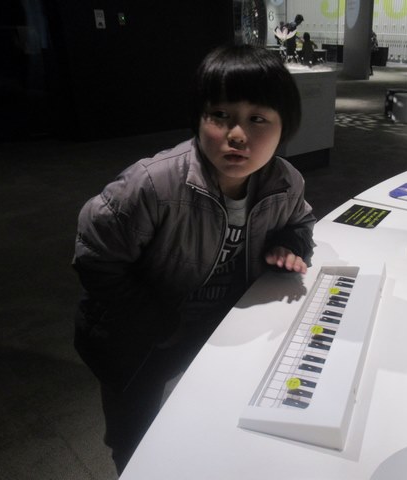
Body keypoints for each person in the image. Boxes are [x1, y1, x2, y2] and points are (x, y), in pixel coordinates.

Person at [72, 44, 316, 474]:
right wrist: (149, 317)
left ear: (285, 127)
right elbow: (96, 253)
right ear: (199, 119)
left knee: (212, 419)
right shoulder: (154, 184)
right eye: (220, 115)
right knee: (135, 435)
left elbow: (300, 220)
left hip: (221, 326)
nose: (237, 134)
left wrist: (290, 242)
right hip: (139, 338)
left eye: (258, 119)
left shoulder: (285, 181)